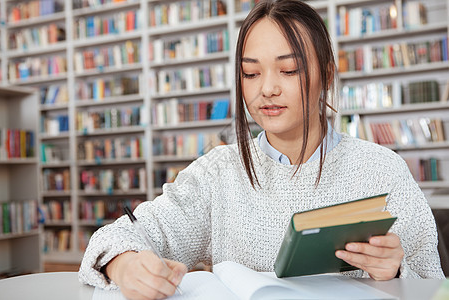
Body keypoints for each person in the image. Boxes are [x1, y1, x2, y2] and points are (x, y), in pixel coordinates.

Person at [79, 0, 445, 299]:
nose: (266, 89)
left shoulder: (383, 170)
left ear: (327, 75)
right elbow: (116, 235)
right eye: (250, 74)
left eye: (288, 70)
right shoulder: (218, 172)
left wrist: (396, 272)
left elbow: (432, 282)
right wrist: (126, 266)